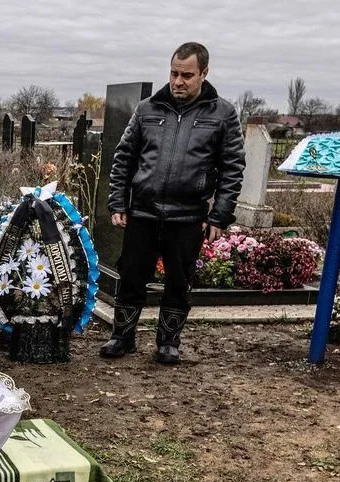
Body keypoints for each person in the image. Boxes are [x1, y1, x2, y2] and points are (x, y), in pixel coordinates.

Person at [103, 41, 244, 365]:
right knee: (132, 275)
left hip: (187, 215)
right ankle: (121, 336)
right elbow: (124, 157)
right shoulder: (148, 109)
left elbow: (232, 167)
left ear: (204, 73)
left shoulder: (222, 114)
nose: (178, 81)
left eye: (187, 75)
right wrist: (117, 202)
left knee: (179, 281)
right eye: (174, 73)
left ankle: (168, 342)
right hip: (143, 211)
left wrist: (220, 216)